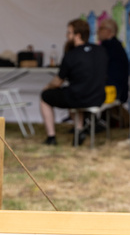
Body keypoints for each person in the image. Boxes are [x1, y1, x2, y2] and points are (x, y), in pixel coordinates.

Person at [40, 18, 108, 146]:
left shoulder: (71, 55)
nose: (67, 36)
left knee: (45, 96)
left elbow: (58, 82)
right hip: (98, 97)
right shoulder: (100, 50)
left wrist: (47, 86)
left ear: (77, 35)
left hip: (79, 98)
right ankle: (79, 131)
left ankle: (51, 137)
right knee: (73, 92)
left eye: (69, 33)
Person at [97, 18, 130, 104]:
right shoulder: (116, 46)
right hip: (118, 91)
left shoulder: (108, 47)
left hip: (111, 92)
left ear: (108, 31)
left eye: (101, 28)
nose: (98, 31)